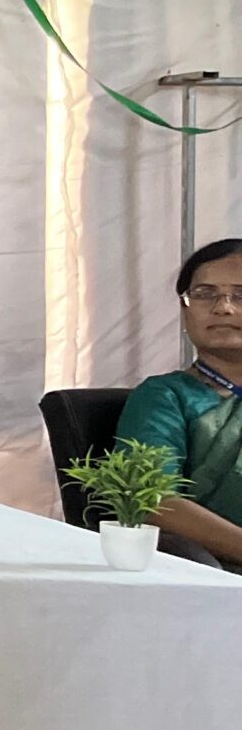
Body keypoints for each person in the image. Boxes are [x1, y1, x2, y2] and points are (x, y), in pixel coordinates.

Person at [114, 238, 242, 571]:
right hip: (217, 578)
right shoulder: (164, 398)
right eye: (204, 294)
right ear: (185, 310)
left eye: (241, 295)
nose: (224, 308)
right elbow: (155, 500)